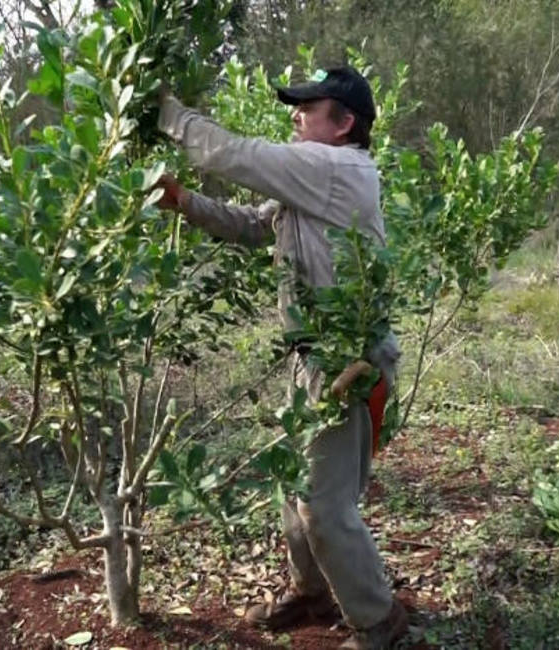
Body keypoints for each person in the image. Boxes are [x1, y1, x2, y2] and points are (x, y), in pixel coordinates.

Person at [154, 66, 407, 650]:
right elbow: (254, 226)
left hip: (347, 365)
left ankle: (377, 620)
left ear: (343, 124)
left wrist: (165, 110)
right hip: (314, 359)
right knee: (295, 485)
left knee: (323, 505)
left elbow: (232, 154)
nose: (295, 114)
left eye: (308, 107)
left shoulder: (336, 168)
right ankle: (314, 592)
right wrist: (184, 201)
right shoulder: (314, 182)